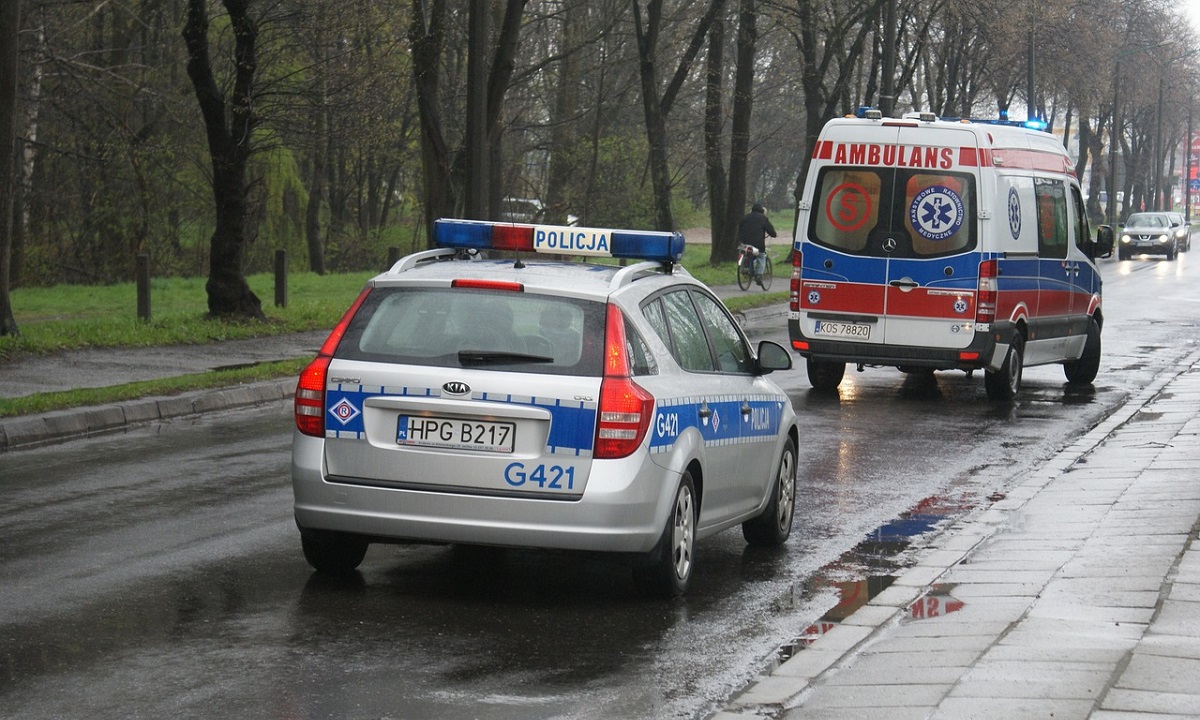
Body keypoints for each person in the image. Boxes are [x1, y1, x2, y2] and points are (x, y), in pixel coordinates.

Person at [738, 203, 776, 287]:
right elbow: (770, 230)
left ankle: (745, 266)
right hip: (757, 244)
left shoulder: (745, 217)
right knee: (762, 256)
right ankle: (758, 275)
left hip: (744, 242)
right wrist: (773, 234)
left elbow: (740, 227)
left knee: (745, 252)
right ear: (761, 211)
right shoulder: (763, 218)